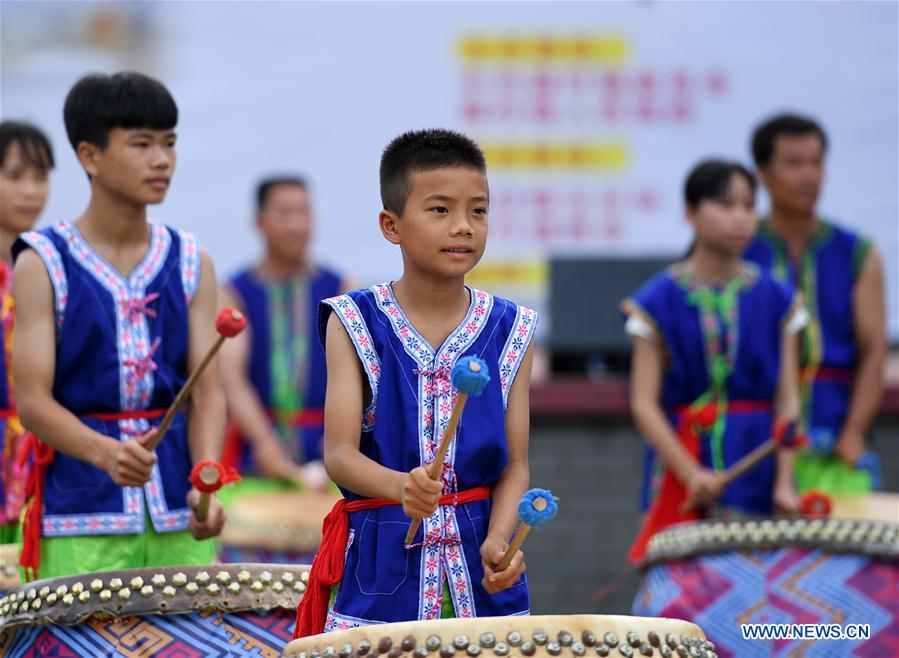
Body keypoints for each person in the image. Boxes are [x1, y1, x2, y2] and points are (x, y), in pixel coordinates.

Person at [294, 129, 538, 636]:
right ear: (392, 225)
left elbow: (514, 465)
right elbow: (339, 455)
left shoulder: (512, 328)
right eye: (440, 210)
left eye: (478, 210)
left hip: (479, 575)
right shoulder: (354, 320)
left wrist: (499, 540)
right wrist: (400, 486)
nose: (463, 227)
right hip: (382, 571)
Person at [11, 72, 226, 581]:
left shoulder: (192, 260)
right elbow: (34, 404)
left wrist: (206, 482)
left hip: (178, 508)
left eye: (169, 143)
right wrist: (106, 454)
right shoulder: (43, 261)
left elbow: (208, 394)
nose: (162, 159)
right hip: (80, 516)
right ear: (90, 156)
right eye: (142, 144)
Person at [623, 160, 804, 561]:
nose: (740, 217)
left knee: (759, 587)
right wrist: (691, 474)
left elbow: (788, 399)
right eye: (725, 205)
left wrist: (785, 481)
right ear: (690, 212)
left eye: (747, 205)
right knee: (679, 594)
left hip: (758, 455)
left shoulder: (778, 298)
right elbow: (643, 403)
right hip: (679, 459)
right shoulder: (656, 302)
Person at [744, 114, 886, 494]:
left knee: (847, 549)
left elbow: (874, 352)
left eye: (816, 162)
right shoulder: (740, 250)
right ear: (763, 173)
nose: (808, 176)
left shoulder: (857, 252)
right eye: (793, 163)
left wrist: (853, 434)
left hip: (835, 437)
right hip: (754, 442)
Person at [219, 176, 348, 497]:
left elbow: (352, 376)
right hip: (256, 449)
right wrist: (265, 444)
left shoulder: (340, 288)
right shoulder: (234, 292)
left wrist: (339, 438)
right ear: (259, 222)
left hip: (326, 445)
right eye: (285, 213)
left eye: (304, 213)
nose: (296, 225)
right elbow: (231, 378)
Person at [0, 120, 54, 544]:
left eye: (40, 176)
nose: (31, 191)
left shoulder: (48, 268)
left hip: (38, 451)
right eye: (15, 176)